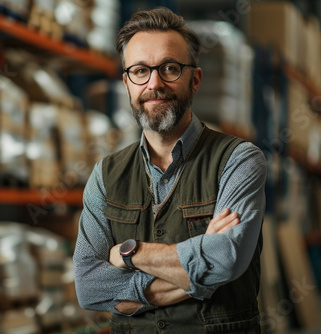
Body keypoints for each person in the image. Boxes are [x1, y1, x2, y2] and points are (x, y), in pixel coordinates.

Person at [73, 7, 266, 334]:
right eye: (139, 71)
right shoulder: (105, 175)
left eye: (170, 68)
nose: (154, 83)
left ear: (196, 79)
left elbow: (227, 259)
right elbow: (89, 286)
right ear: (126, 83)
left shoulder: (239, 160)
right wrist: (201, 278)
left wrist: (128, 252)